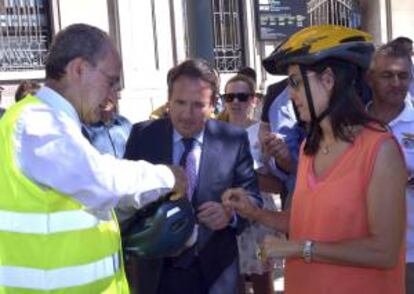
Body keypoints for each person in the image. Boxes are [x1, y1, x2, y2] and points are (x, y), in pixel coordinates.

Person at [0, 23, 186, 293]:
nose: (113, 94)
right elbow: (100, 180)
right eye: (110, 81)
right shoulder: (37, 122)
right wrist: (167, 176)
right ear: (78, 69)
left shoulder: (51, 123)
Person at [222, 25, 407, 293]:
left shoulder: (380, 149)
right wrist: (256, 213)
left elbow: (384, 250)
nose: (290, 94)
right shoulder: (311, 145)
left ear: (328, 79)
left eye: (295, 82)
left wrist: (300, 248)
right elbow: (305, 220)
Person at [124, 59, 261, 294]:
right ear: (168, 100)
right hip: (156, 275)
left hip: (215, 275)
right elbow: (125, 199)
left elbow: (254, 200)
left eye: (198, 105)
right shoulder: (142, 136)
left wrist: (230, 215)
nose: (187, 114)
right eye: (180, 102)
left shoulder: (233, 140)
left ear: (213, 105)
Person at [220, 74, 278, 294]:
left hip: (259, 212)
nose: (235, 102)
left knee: (262, 277)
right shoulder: (215, 132)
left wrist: (247, 174)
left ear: (253, 100)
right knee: (230, 278)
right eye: (230, 96)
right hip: (226, 211)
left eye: (242, 97)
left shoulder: (262, 133)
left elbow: (278, 182)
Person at [366, 42, 414, 294]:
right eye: (387, 75)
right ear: (369, 78)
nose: (396, 83)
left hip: (411, 254)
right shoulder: (354, 126)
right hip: (363, 253)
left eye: (403, 76)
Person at [82, 93, 132, 158]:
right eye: (101, 94)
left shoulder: (125, 124)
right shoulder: (83, 128)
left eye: (112, 92)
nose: (106, 98)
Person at [391, 36, 414, 104]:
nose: (412, 52)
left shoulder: (409, 63)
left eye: (411, 49)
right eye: (409, 49)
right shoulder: (393, 66)